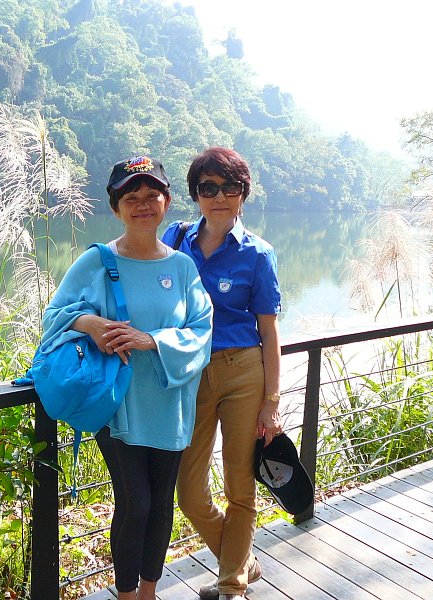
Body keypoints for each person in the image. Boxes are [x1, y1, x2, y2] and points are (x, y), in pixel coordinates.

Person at [41, 156, 213, 600]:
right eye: (131, 197)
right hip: (117, 402)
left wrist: (151, 340)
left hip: (171, 403)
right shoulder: (96, 261)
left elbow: (201, 331)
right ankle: (126, 594)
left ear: (167, 202)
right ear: (115, 207)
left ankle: (149, 592)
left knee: (161, 504)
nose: (142, 205)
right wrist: (90, 324)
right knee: (135, 502)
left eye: (152, 195)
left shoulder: (182, 267)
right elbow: (54, 316)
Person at [161, 147, 284, 600]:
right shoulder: (175, 240)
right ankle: (243, 561)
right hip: (190, 372)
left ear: (243, 194)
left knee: (239, 482)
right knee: (190, 493)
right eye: (208, 188)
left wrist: (272, 403)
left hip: (243, 371)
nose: (218, 197)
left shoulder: (258, 254)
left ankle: (231, 586)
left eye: (229, 187)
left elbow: (269, 332)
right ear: (195, 194)